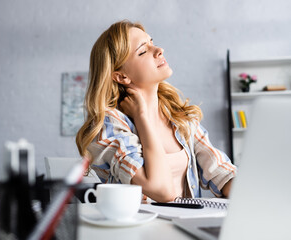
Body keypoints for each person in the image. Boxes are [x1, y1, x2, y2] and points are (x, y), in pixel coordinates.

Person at [76, 20, 237, 203]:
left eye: (152, 42)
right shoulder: (109, 125)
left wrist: (252, 188)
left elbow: (220, 172)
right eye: (143, 51)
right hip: (139, 230)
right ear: (121, 76)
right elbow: (161, 189)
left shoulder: (178, 115)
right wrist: (142, 118)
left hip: (186, 226)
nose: (159, 50)